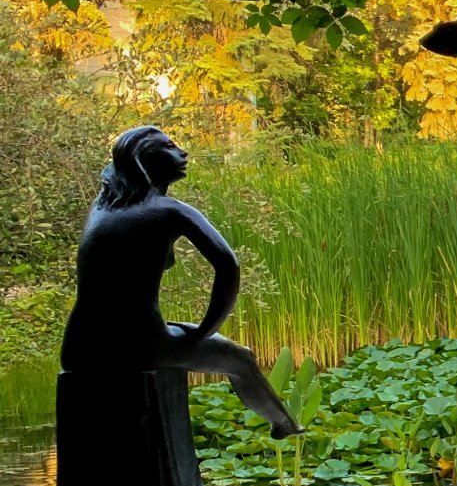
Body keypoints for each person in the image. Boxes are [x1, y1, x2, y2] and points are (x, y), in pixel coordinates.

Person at [61, 126, 300, 437]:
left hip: (80, 347)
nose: (182, 153)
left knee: (178, 330)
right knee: (239, 358)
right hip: (141, 346)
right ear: (144, 160)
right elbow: (228, 266)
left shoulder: (102, 207)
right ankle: (284, 424)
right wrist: (206, 330)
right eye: (170, 147)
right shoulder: (170, 212)